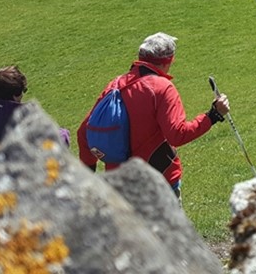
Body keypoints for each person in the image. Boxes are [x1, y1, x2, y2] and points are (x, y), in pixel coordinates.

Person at [77, 32, 229, 197]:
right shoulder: (162, 88)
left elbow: (83, 132)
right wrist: (213, 116)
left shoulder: (115, 85)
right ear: (169, 61)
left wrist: (88, 174)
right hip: (158, 180)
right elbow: (178, 134)